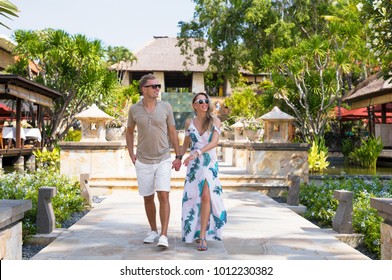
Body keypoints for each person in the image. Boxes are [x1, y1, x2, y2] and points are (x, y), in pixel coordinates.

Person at [126, 73, 182, 249]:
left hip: (163, 158)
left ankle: (164, 235)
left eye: (158, 86)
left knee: (163, 194)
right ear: (144, 89)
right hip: (142, 160)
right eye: (154, 86)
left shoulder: (166, 107)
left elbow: (173, 132)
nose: (158, 89)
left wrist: (178, 156)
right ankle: (153, 230)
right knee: (148, 197)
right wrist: (130, 153)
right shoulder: (134, 109)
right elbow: (129, 131)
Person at [179, 92, 227, 251]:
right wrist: (178, 157)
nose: (204, 103)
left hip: (208, 163)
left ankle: (203, 237)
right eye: (200, 101)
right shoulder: (188, 123)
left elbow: (214, 143)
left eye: (206, 101)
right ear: (194, 105)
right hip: (194, 166)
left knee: (206, 196)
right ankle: (194, 231)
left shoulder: (215, 121)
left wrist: (197, 153)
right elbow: (185, 143)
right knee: (194, 198)